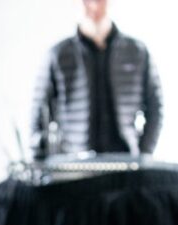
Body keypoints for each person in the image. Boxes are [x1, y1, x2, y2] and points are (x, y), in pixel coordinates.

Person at [30, 0, 163, 159]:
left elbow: (155, 107)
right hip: (73, 167)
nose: (94, 6)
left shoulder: (138, 52)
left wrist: (143, 154)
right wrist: (41, 163)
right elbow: (38, 113)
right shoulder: (57, 55)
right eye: (86, 1)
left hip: (125, 164)